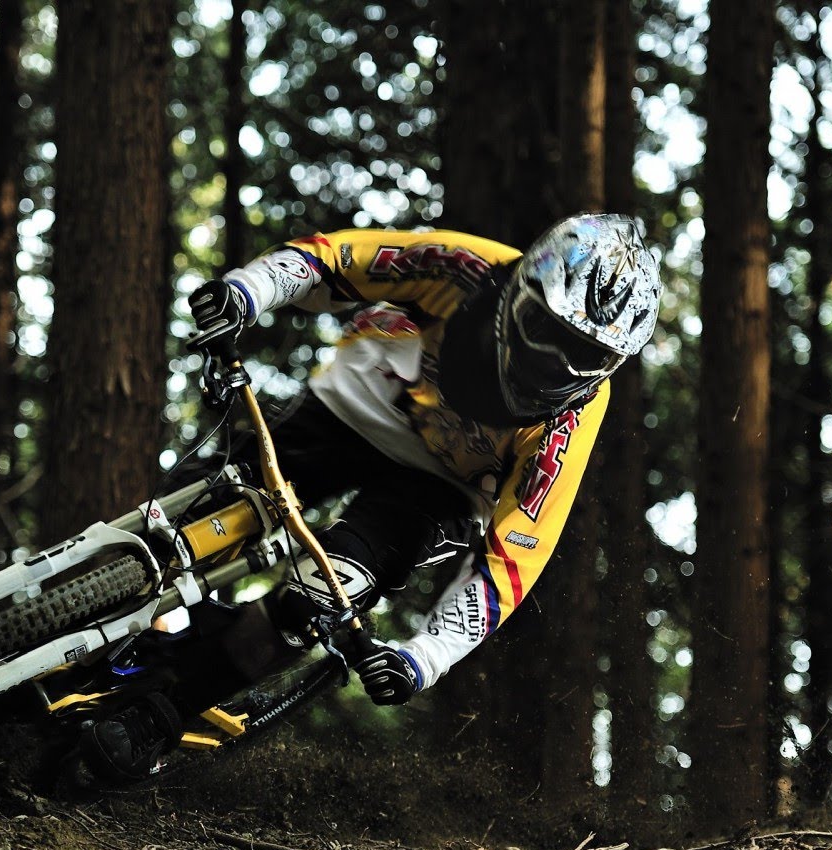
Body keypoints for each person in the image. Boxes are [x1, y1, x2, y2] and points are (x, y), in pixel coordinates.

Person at [81, 213, 662, 783]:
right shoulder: (466, 266)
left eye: (585, 355)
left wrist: (426, 656)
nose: (554, 363)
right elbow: (333, 260)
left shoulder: (569, 425)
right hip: (357, 408)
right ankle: (113, 615)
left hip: (441, 487)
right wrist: (247, 292)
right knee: (196, 514)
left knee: (318, 601)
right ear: (520, 287)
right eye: (545, 328)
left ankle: (161, 712)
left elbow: (512, 560)